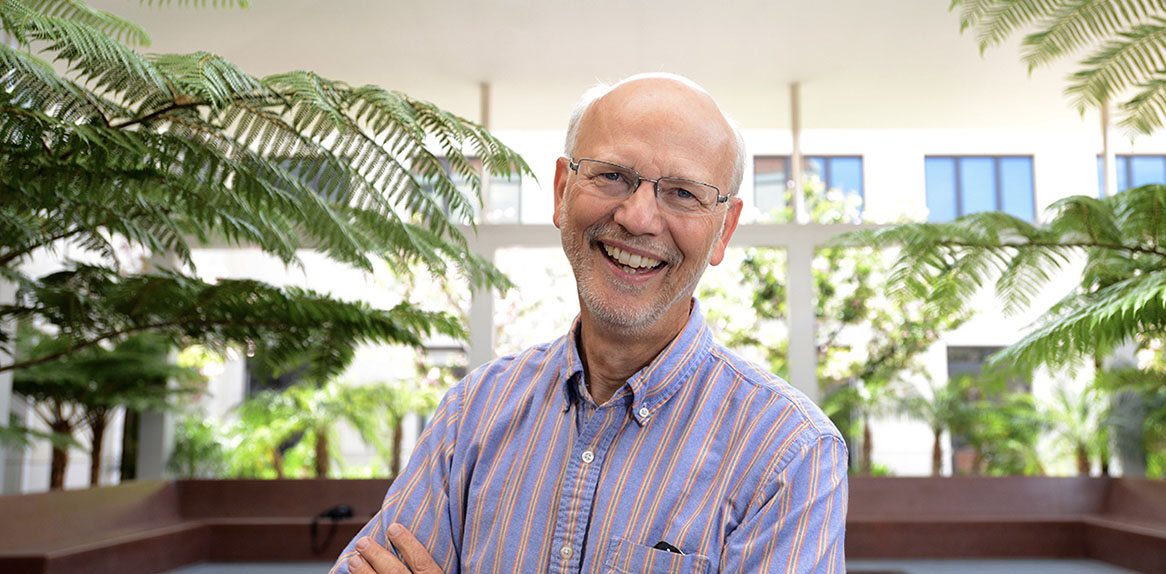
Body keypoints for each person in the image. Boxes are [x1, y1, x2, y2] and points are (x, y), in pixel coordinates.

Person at [332, 73, 848, 574]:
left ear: (723, 231)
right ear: (562, 191)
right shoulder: (472, 415)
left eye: (683, 193)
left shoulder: (788, 454)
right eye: (612, 175)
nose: (638, 218)